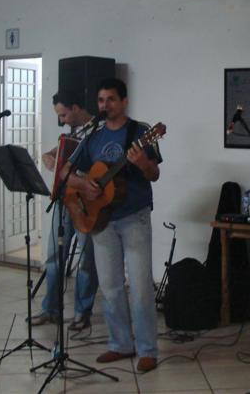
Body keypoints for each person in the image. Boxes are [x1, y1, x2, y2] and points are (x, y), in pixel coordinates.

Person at [63, 78, 161, 373]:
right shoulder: (93, 135)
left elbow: (154, 174)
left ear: (124, 101)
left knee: (140, 287)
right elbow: (66, 170)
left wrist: (142, 163)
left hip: (134, 218)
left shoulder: (141, 132)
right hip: (101, 220)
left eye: (111, 99)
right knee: (110, 287)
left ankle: (147, 349)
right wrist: (84, 185)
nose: (105, 105)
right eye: (101, 100)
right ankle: (120, 344)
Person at [31, 91, 99, 331]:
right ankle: (51, 309)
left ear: (76, 107)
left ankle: (82, 312)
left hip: (85, 203)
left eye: (64, 115)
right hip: (64, 200)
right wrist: (49, 156)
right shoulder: (73, 132)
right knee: (54, 256)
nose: (61, 120)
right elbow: (61, 151)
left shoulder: (99, 130)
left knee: (87, 260)